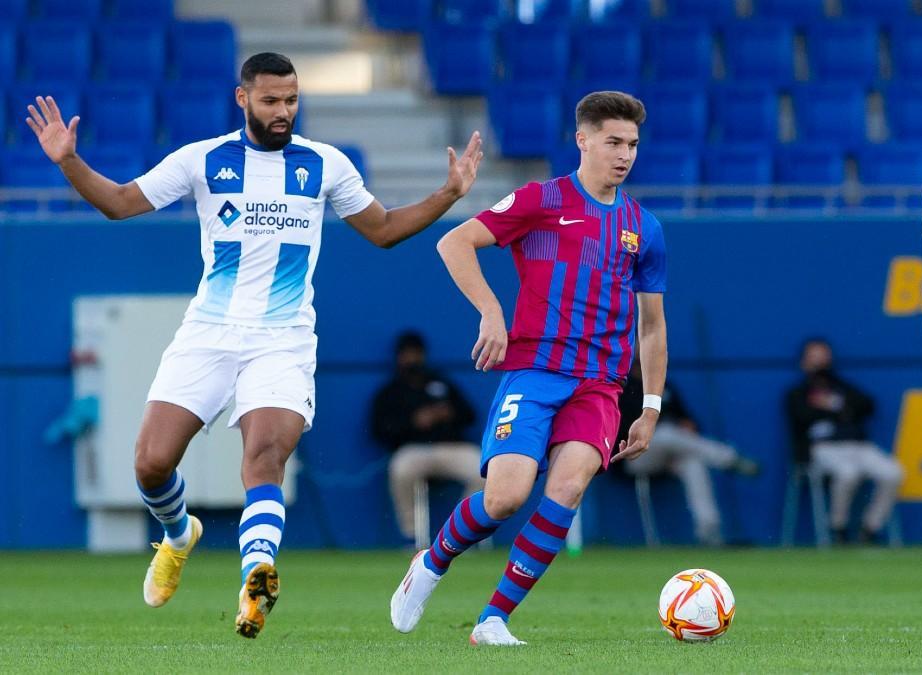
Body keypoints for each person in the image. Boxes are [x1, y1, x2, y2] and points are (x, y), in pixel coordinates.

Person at [23, 52, 483, 638]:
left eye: (291, 100)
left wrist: (448, 194)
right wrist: (69, 163)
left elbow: (385, 230)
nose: (284, 111)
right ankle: (177, 533)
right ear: (243, 99)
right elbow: (118, 203)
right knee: (150, 462)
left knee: (264, 454)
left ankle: (257, 575)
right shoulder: (203, 159)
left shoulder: (325, 164)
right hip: (209, 334)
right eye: (271, 100)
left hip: (284, 339)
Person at [389, 90, 668, 646]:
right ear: (582, 140)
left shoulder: (645, 228)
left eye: (632, 143)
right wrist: (491, 310)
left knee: (567, 487)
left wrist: (651, 405)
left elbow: (653, 326)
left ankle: (493, 620)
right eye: (613, 141)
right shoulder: (541, 200)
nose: (624, 154)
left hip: (601, 386)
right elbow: (454, 241)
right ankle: (432, 562)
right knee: (505, 497)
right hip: (537, 372)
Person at [618, 361, 757, 545]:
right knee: (666, 433)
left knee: (694, 464)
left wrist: (688, 425)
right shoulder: (622, 387)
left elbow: (688, 421)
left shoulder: (663, 385)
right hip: (633, 456)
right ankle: (728, 457)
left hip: (672, 453)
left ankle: (710, 534)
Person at [785, 338, 902, 545]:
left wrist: (835, 403)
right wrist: (828, 409)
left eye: (823, 357)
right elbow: (801, 416)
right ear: (804, 361)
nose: (820, 363)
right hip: (824, 448)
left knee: (893, 472)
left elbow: (867, 405)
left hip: (857, 445)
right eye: (815, 358)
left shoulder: (840, 387)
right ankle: (838, 528)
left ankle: (870, 527)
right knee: (848, 473)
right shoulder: (797, 393)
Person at [371, 331, 484, 543]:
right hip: (414, 450)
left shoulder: (441, 383)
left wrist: (448, 413)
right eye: (407, 354)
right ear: (399, 357)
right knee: (400, 468)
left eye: (416, 353)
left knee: (484, 469)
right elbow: (379, 430)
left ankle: (462, 532)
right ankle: (412, 537)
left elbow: (470, 415)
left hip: (452, 447)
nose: (412, 359)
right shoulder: (391, 391)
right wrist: (413, 422)